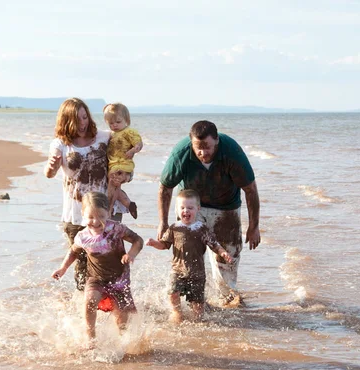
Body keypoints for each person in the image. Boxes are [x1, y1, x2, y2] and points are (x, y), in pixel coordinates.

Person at [157, 120, 260, 307]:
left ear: (217, 141)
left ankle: (227, 297)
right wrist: (163, 222)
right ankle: (194, 298)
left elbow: (251, 190)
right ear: (191, 142)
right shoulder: (181, 153)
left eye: (208, 147)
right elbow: (165, 188)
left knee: (227, 255)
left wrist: (254, 226)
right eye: (198, 148)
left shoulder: (231, 152)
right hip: (191, 206)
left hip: (226, 206)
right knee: (188, 253)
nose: (203, 153)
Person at [44, 98, 127, 291]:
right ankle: (84, 306)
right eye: (77, 119)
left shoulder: (104, 137)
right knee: (82, 264)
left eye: (85, 117)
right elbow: (49, 173)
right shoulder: (60, 144)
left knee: (111, 261)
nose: (82, 123)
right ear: (66, 122)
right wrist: (51, 166)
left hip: (107, 209)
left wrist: (125, 176)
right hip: (76, 214)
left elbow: (123, 161)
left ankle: (114, 306)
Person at [51, 192, 144, 347]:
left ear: (108, 213)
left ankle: (124, 342)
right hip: (96, 277)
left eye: (100, 216)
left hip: (119, 278)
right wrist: (63, 268)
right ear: (82, 215)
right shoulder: (82, 236)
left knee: (121, 317)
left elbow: (137, 240)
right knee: (89, 302)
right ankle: (91, 339)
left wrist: (131, 254)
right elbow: (74, 251)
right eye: (90, 217)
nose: (95, 221)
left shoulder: (116, 228)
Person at [146, 189, 233, 323]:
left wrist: (223, 253)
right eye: (182, 208)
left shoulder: (201, 228)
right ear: (177, 209)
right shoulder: (174, 228)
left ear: (198, 209)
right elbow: (164, 245)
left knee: (197, 304)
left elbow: (214, 245)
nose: (186, 211)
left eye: (190, 208)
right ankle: (177, 313)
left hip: (197, 273)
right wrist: (154, 243)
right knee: (172, 293)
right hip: (177, 270)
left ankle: (197, 320)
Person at [103, 103, 144, 219]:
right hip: (114, 164)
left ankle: (109, 209)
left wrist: (133, 150)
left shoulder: (129, 132)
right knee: (115, 187)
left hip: (124, 164)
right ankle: (128, 204)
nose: (115, 125)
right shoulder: (111, 134)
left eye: (118, 122)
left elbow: (139, 143)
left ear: (126, 120)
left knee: (113, 183)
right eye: (111, 123)